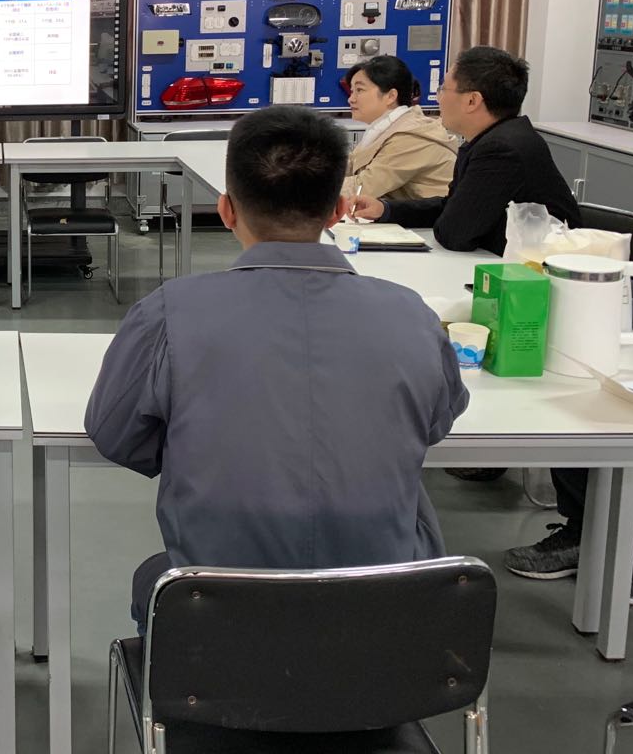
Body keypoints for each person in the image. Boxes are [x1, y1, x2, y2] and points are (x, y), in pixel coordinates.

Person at [85, 106, 468, 628]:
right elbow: (436, 424)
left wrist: (195, 448)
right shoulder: (411, 315)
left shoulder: (169, 314)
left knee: (159, 577)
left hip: (219, 618)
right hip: (386, 616)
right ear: (338, 211)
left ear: (226, 210)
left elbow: (115, 435)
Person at [351, 46, 581, 254]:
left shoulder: (501, 150)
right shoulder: (490, 139)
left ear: (472, 101)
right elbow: (450, 206)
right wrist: (386, 210)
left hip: (540, 271)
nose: (438, 98)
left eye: (443, 89)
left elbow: (454, 233)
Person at [343, 55, 456, 201]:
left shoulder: (411, 136)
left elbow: (363, 187)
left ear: (391, 96)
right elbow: (350, 166)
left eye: (359, 90)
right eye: (352, 91)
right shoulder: (386, 128)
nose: (351, 99)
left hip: (433, 215)